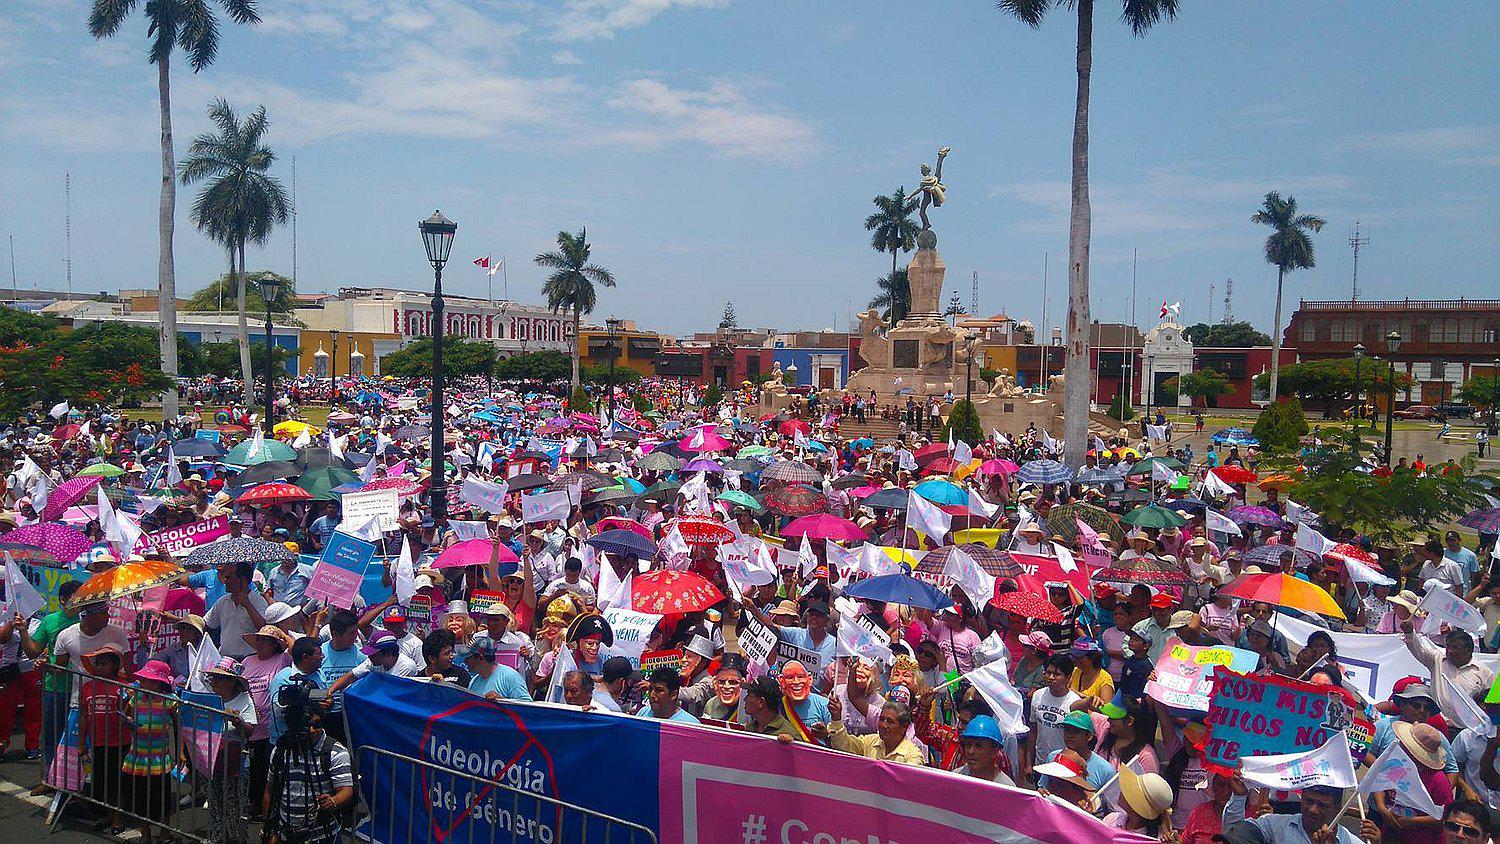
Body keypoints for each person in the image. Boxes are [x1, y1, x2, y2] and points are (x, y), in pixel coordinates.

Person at [264, 680, 356, 844]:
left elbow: (346, 790)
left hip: (323, 835)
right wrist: (269, 830)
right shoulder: (281, 751)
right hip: (286, 833)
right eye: (306, 725)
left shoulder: (334, 751)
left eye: (317, 724)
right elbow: (270, 791)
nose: (313, 730)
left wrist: (332, 801)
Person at [1222, 770, 1380, 843]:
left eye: (1322, 805)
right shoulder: (1272, 825)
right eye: (1309, 801)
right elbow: (1233, 833)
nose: (1312, 809)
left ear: (1338, 808)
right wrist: (1239, 796)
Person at [120, 660, 178, 844]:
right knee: (141, 797)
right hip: (139, 755)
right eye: (143, 680)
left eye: (150, 681)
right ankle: (145, 833)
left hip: (160, 758)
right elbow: (126, 715)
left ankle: (165, 832)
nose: (145, 684)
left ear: (160, 683)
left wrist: (181, 753)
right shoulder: (136, 698)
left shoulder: (169, 701)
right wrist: (128, 721)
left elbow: (179, 726)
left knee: (162, 797)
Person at [1023, 654, 1081, 782]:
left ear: (1068, 678)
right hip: (1041, 765)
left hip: (1064, 767)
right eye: (1048, 673)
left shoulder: (1075, 703)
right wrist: (1029, 763)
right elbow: (1033, 731)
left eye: (1057, 674)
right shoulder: (1037, 696)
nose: (1051, 678)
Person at [825, 698, 925, 766]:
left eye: (890, 722)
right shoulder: (868, 742)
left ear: (904, 727)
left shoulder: (913, 755)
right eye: (881, 719)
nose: (883, 725)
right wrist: (836, 719)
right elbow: (844, 746)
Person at [953, 715, 1016, 786]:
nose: (971, 751)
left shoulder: (1006, 788)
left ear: (994, 752)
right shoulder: (955, 778)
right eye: (968, 745)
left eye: (978, 746)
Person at [461, 638, 531, 701]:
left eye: (468, 657)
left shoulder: (510, 676)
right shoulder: (474, 681)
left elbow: (528, 706)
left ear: (480, 657)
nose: (465, 661)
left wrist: (502, 701)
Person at [739, 676, 795, 740]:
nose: (745, 699)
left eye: (749, 695)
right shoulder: (748, 730)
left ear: (760, 702)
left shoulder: (788, 734)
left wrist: (789, 745)